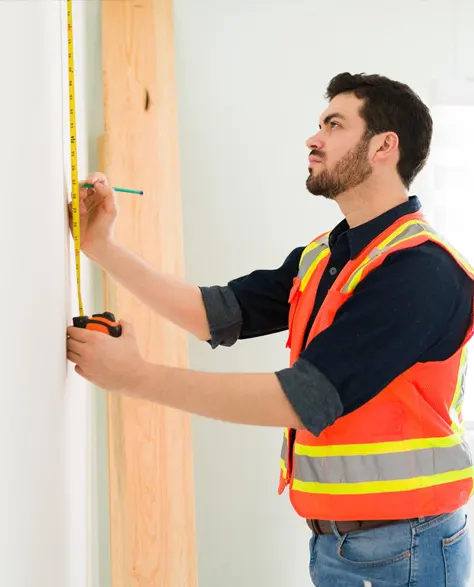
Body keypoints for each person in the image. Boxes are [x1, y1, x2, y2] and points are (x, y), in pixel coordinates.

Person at [67, 72, 474, 586]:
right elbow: (214, 313)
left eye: (334, 124)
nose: (313, 137)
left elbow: (300, 399)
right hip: (337, 543)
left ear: (383, 147)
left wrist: (135, 378)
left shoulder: (420, 272)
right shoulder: (329, 255)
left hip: (408, 546)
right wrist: (101, 247)